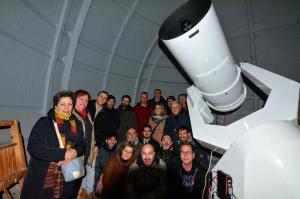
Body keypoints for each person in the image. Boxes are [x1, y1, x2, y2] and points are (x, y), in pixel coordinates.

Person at [21, 91, 85, 199]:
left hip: (67, 177)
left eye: (70, 104)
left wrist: (74, 153)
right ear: (55, 105)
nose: (66, 107)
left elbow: (82, 145)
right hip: (43, 177)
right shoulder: (44, 122)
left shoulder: (76, 124)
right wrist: (63, 154)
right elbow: (33, 147)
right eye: (62, 104)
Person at [72, 90, 96, 198]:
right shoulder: (70, 114)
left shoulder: (87, 114)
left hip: (84, 156)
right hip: (74, 158)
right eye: (81, 99)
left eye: (86, 100)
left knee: (77, 186)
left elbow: (90, 135)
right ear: (74, 99)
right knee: (71, 186)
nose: (84, 102)